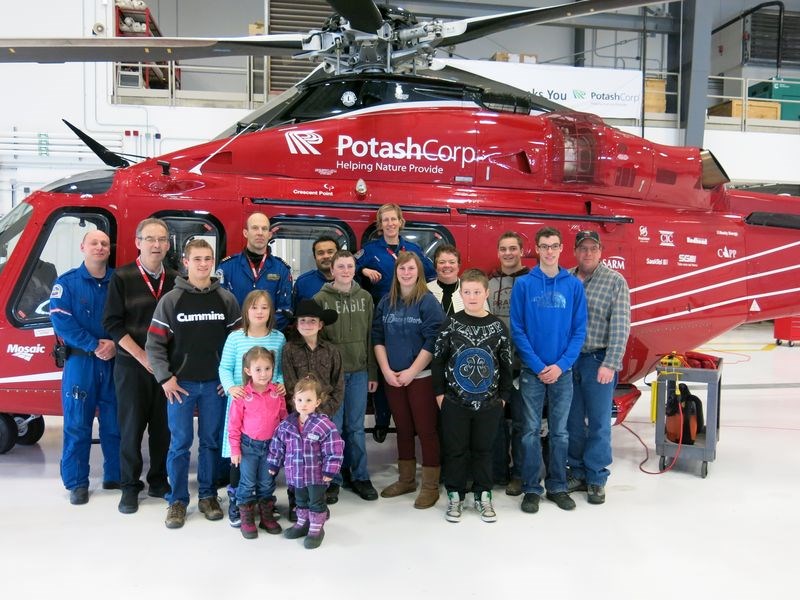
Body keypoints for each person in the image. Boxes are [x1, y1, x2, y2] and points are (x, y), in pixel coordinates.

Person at [146, 239, 242, 529]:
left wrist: (230, 379)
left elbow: (237, 345)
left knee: (212, 443)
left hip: (215, 386)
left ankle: (208, 495)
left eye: (208, 259)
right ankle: (176, 501)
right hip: (181, 386)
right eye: (197, 259)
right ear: (186, 263)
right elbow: (154, 344)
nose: (203, 264)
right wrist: (165, 377)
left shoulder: (226, 299)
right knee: (180, 444)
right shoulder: (171, 300)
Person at [103, 218, 178, 514]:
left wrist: (165, 363)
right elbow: (111, 323)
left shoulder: (175, 279)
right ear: (138, 242)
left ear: (168, 245)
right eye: (150, 239)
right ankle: (130, 487)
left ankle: (158, 481)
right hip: (131, 366)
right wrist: (142, 356)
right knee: (131, 429)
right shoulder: (121, 277)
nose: (156, 245)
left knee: (163, 429)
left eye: (161, 239)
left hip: (165, 370)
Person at [510, 226, 587, 514]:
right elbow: (517, 329)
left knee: (560, 433)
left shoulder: (573, 285)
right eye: (544, 246)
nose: (550, 251)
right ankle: (531, 488)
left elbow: (579, 331)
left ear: (561, 249)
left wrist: (560, 365)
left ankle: (557, 486)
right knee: (529, 431)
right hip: (533, 372)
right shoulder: (524, 285)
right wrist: (539, 366)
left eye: (554, 246)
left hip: (562, 373)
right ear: (537, 250)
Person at [432, 269, 513, 523]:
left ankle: (483, 494)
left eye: (477, 292)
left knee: (484, 450)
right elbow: (438, 361)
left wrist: (503, 397)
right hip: (455, 401)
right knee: (455, 450)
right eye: (467, 292)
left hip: (489, 403)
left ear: (486, 293)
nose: (472, 296)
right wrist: (439, 395)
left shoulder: (498, 327)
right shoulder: (451, 323)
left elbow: (507, 364)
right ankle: (455, 494)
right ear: (461, 294)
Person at [49, 230, 120, 505]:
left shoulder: (119, 282)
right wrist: (94, 345)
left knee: (115, 425)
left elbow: (131, 318)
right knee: (78, 425)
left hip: (114, 362)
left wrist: (114, 344)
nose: (100, 247)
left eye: (104, 243)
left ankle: (115, 475)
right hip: (81, 363)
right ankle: (77, 483)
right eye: (94, 243)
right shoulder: (66, 283)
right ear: (83, 247)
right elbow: (62, 321)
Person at [356, 203, 436, 443]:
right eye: (385, 220)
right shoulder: (370, 250)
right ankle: (382, 421)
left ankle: (409, 423)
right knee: (384, 373)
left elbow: (430, 273)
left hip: (411, 315)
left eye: (394, 219)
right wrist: (365, 270)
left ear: (401, 222)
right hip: (383, 314)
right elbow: (350, 267)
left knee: (409, 368)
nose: (390, 224)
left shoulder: (412, 249)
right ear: (380, 225)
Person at [372, 251, 445, 509]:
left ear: (418, 272)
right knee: (402, 429)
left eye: (411, 268)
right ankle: (406, 480)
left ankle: (430, 486)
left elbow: (434, 340)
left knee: (426, 431)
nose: (406, 273)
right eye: (402, 268)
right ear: (396, 272)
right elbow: (377, 338)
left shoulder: (427, 301)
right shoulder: (385, 302)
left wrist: (413, 371)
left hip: (421, 377)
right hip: (393, 378)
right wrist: (386, 371)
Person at [567, 230, 631, 505]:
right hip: (569, 362)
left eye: (593, 248)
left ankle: (596, 477)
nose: (588, 253)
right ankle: (577, 471)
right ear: (575, 251)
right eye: (583, 248)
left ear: (601, 251)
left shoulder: (615, 282)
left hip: (597, 362)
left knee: (598, 423)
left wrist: (610, 363)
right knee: (571, 421)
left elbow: (620, 327)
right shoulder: (565, 279)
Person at [314, 250, 379, 501]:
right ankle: (333, 479)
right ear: (332, 270)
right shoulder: (320, 299)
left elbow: (370, 337)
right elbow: (316, 340)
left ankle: (360, 476)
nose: (345, 270)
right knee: (334, 429)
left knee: (356, 428)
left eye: (349, 266)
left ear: (354, 269)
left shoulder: (365, 298)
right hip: (332, 377)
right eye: (340, 266)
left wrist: (372, 370)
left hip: (360, 372)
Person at [218, 290, 286, 527]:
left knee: (267, 458)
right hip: (242, 406)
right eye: (254, 307)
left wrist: (281, 385)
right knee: (239, 459)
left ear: (271, 311)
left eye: (264, 307)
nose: (259, 312)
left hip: (268, 407)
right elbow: (224, 368)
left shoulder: (278, 338)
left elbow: (280, 371)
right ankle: (238, 503)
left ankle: (265, 501)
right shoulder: (236, 338)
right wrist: (230, 387)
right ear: (246, 311)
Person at [268, 374, 344, 550]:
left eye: (308, 400)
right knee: (300, 500)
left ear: (317, 402)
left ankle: (317, 529)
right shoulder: (287, 425)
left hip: (316, 475)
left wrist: (329, 471)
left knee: (316, 501)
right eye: (300, 399)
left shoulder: (324, 425)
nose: (303, 404)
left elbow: (334, 449)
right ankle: (303, 523)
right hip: (296, 474)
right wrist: (274, 463)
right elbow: (277, 444)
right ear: (294, 400)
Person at [281, 299, 344, 504]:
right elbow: (290, 384)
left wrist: (325, 411)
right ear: (297, 324)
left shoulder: (332, 351)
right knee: (299, 455)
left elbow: (338, 383)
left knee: (323, 451)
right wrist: (303, 410)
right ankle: (296, 497)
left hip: (325, 414)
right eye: (303, 320)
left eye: (312, 320)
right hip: (299, 413)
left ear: (320, 324)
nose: (307, 324)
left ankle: (326, 487)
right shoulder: (289, 350)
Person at [228, 346, 287, 539]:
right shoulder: (243, 396)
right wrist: (235, 449)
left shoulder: (277, 393)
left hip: (271, 447)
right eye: (258, 369)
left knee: (266, 482)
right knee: (247, 482)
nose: (263, 374)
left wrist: (284, 446)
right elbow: (234, 425)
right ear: (248, 371)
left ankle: (266, 516)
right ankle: (246, 518)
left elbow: (283, 421)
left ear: (273, 368)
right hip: (248, 447)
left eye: (267, 369)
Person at [487, 232, 530, 495]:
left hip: (523, 364)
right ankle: (498, 472)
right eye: (503, 249)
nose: (508, 253)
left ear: (522, 251)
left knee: (523, 423)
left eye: (513, 248)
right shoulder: (490, 283)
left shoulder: (532, 281)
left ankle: (520, 474)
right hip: (495, 365)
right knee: (496, 422)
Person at [217, 212, 293, 329]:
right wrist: (241, 334)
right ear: (245, 233)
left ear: (269, 234)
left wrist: (263, 333)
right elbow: (221, 308)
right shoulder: (227, 267)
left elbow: (284, 310)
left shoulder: (282, 269)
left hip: (269, 339)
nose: (260, 233)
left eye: (264, 229)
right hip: (237, 339)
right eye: (255, 228)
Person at [292, 235, 340, 308]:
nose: (326, 256)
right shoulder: (302, 283)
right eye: (320, 253)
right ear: (315, 257)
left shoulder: (352, 281)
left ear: (338, 255)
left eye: (330, 252)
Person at [426, 244, 465, 317]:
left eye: (452, 262)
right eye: (442, 262)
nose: (447, 265)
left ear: (458, 266)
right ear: (435, 266)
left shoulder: (471, 290)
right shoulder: (425, 290)